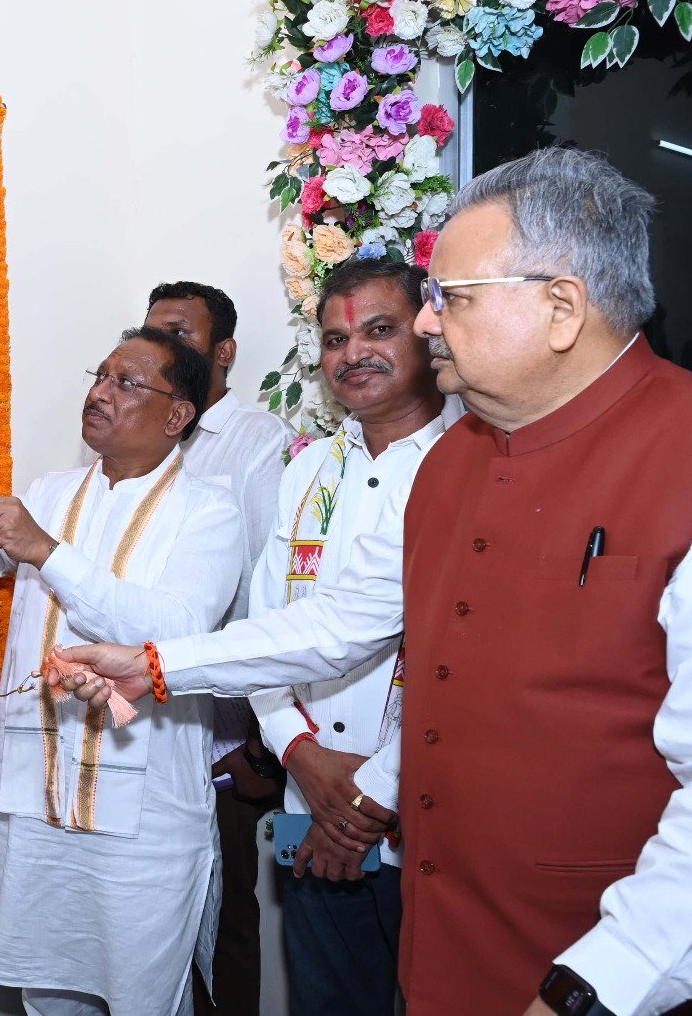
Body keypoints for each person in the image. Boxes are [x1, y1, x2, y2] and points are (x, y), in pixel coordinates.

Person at [54, 147, 692, 1015]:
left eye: (451, 298)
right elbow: (341, 623)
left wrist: (596, 988)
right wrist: (154, 665)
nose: (426, 324)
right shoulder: (453, 462)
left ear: (562, 307)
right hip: (445, 931)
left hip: (604, 957)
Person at [0, 326, 245, 1016]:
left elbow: (174, 630)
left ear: (178, 415)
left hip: (144, 817)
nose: (101, 393)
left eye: (127, 382)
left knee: (146, 994)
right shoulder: (52, 493)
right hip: (37, 800)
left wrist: (47, 552)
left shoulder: (210, 510)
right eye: (101, 375)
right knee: (49, 992)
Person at [247, 257, 451, 1015]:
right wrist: (301, 757)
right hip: (309, 802)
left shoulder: (467, 464)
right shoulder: (308, 473)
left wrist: (367, 797)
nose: (354, 353)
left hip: (422, 819)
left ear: (428, 332)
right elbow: (266, 632)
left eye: (379, 330)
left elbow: (464, 662)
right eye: (335, 339)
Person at [145, 281, 292, 1016]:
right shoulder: (144, 434)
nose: (163, 346)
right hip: (146, 722)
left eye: (180, 332)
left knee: (224, 918)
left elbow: (270, 591)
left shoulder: (256, 440)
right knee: (153, 920)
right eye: (153, 331)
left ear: (224, 351)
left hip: (224, 736)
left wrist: (254, 743)